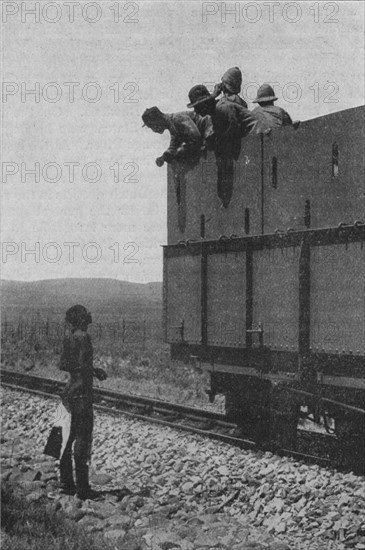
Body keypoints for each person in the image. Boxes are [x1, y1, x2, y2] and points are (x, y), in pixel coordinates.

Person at [59, 305, 107, 500]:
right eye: (86, 315)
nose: (90, 317)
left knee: (65, 439)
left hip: (68, 391)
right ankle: (83, 488)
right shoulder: (84, 337)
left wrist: (89, 370)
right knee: (82, 439)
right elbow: (84, 366)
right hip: (81, 393)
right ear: (81, 319)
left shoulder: (69, 337)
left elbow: (64, 364)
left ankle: (66, 483)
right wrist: (93, 372)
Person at [187, 84, 257, 159]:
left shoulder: (222, 108)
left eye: (197, 107)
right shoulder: (214, 113)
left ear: (205, 104)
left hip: (257, 137)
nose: (196, 111)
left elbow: (233, 132)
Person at [142, 106, 213, 167]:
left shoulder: (177, 119)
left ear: (159, 119)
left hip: (211, 131)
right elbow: (173, 146)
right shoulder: (172, 127)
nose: (154, 130)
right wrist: (163, 158)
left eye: (153, 125)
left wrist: (182, 150)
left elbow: (196, 137)